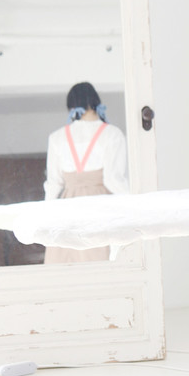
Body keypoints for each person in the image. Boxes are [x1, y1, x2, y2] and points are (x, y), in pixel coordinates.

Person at [43, 82, 128, 263]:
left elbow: (54, 184)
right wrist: (133, 203)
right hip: (100, 206)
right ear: (96, 102)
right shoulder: (112, 134)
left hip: (68, 208)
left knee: (67, 265)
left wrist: (46, 216)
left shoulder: (57, 137)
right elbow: (113, 180)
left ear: (71, 106)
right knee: (100, 262)